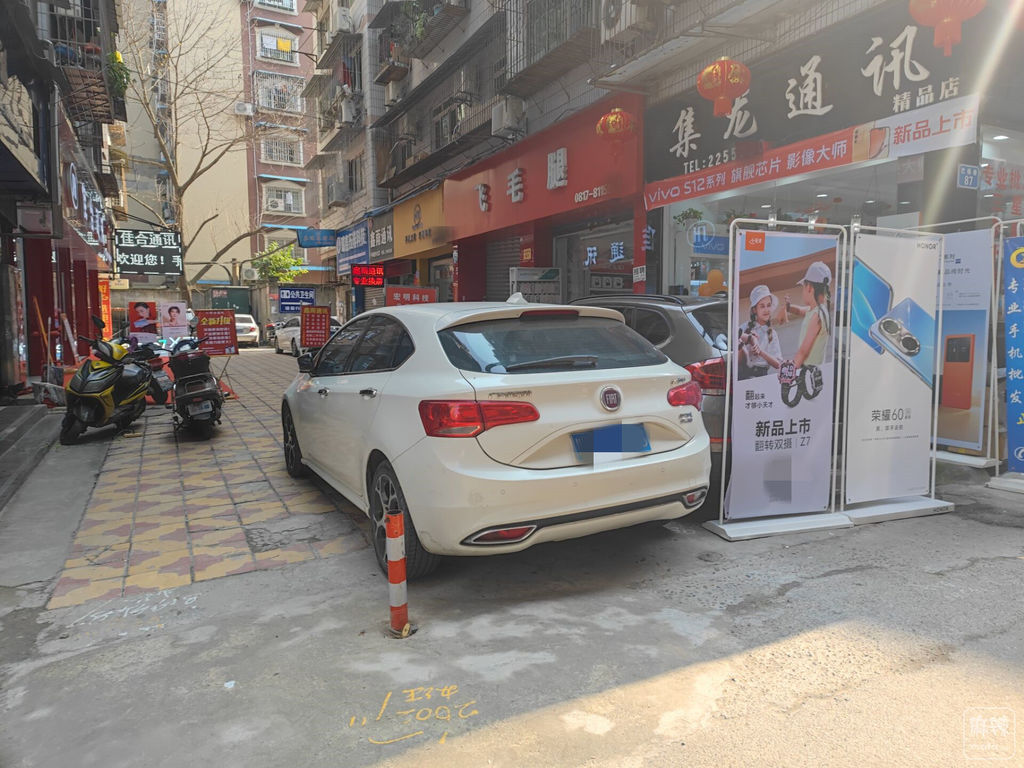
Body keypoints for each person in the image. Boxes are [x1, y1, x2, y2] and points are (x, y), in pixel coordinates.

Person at [785, 261, 833, 367]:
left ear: (809, 287)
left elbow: (803, 352)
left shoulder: (817, 315)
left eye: (803, 286)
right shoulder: (816, 311)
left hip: (809, 371)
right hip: (810, 370)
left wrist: (791, 371)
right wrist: (788, 307)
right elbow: (799, 311)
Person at [738, 284, 782, 379]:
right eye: (762, 306)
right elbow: (734, 336)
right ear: (754, 310)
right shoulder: (744, 327)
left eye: (768, 305)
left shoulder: (772, 333)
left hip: (761, 376)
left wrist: (760, 351)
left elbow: (778, 364)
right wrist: (748, 340)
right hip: (742, 374)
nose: (766, 310)